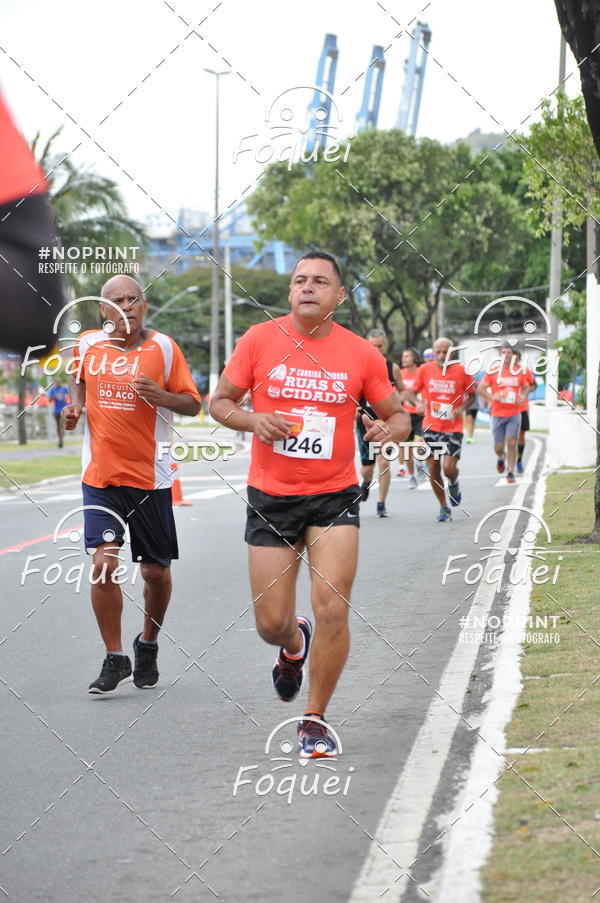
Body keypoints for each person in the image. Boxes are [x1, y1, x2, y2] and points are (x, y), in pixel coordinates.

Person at [210, 251, 410, 758]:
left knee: (333, 610)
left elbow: (401, 416)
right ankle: (292, 643)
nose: (308, 287)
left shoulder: (362, 354)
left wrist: (388, 429)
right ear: (290, 291)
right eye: (300, 280)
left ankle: (315, 719)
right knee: (269, 623)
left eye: (320, 281)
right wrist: (254, 421)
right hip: (272, 496)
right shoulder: (259, 339)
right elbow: (220, 402)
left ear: (338, 296)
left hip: (334, 495)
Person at [61, 275, 201, 693]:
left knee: (156, 572)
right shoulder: (89, 344)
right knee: (103, 565)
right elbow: (77, 376)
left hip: (150, 479)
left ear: (145, 303)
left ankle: (148, 643)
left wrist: (161, 395)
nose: (127, 307)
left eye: (133, 298)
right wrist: (76, 406)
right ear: (104, 311)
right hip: (100, 476)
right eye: (116, 301)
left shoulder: (163, 348)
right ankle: (115, 656)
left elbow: (194, 404)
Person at [407, 337, 475, 522]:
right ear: (434, 351)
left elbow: (472, 395)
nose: (441, 355)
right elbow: (411, 392)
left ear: (451, 353)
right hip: (431, 426)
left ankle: (453, 483)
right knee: (433, 466)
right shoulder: (425, 369)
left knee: (449, 468)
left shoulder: (462, 371)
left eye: (445, 352)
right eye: (438, 351)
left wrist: (461, 408)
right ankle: (444, 507)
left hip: (453, 427)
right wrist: (418, 403)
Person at [356, 328, 405, 516]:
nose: (376, 349)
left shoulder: (393, 368)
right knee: (367, 468)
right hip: (365, 421)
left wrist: (397, 401)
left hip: (387, 421)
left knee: (384, 461)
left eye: (379, 346)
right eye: (372, 346)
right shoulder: (359, 366)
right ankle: (367, 482)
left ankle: (381, 503)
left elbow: (402, 390)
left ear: (384, 346)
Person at [477, 345, 532, 484]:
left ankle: (511, 472)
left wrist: (523, 396)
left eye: (509, 352)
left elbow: (526, 387)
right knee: (499, 447)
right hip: (497, 414)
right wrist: (491, 397)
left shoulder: (518, 372)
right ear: (499, 356)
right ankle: (501, 458)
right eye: (504, 352)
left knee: (512, 443)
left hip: (514, 413)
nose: (507, 354)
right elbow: (480, 388)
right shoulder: (493, 372)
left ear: (513, 356)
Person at [399, 347, 425, 488]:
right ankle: (411, 476)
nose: (404, 359)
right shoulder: (400, 374)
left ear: (415, 358)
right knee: (407, 449)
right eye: (403, 356)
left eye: (407, 356)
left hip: (420, 415)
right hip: (405, 415)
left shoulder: (421, 372)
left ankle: (420, 462)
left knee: (418, 443)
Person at [514, 350, 536, 474]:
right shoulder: (502, 371)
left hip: (522, 408)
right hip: (507, 409)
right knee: (510, 437)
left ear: (520, 359)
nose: (514, 361)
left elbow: (533, 385)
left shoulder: (525, 371)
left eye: (516, 358)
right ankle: (510, 458)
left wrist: (524, 393)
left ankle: (519, 460)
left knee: (521, 435)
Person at [47, 376, 69, 447]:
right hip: (56, 410)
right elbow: (49, 400)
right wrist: (55, 397)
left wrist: (65, 399)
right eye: (56, 382)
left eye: (59, 382)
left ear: (61, 383)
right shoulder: (53, 390)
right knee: (58, 426)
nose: (58, 383)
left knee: (61, 425)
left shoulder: (64, 389)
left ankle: (61, 440)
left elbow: (68, 397)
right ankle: (60, 438)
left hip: (63, 410)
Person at [464, 373, 482, 444]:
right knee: (469, 419)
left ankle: (471, 436)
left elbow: (481, 392)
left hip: (475, 405)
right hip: (468, 405)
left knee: (473, 421)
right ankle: (468, 436)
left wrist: (483, 403)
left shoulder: (477, 385)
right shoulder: (465, 385)